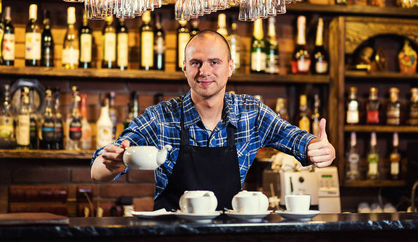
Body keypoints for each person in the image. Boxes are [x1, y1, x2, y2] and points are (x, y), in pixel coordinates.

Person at [91, 29, 335, 211]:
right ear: (184, 67)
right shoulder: (160, 117)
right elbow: (98, 169)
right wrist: (114, 162)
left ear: (230, 67)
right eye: (196, 62)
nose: (204, 71)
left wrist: (319, 148)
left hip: (229, 235)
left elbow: (295, 138)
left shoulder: (251, 113)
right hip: (172, 237)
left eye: (214, 62)